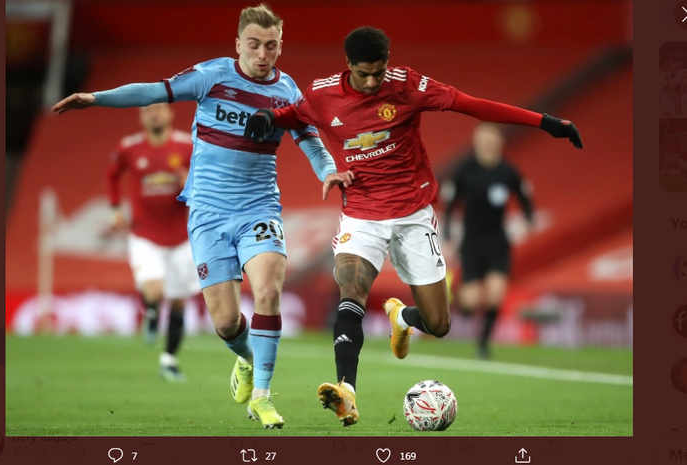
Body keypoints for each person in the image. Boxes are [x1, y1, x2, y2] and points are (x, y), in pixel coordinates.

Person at [244, 26, 582, 427]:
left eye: (379, 72)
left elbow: (471, 105)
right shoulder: (321, 94)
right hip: (362, 214)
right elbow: (291, 115)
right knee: (350, 287)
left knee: (439, 324)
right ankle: (347, 391)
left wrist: (544, 122)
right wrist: (268, 116)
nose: (373, 82)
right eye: (364, 73)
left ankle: (402, 319)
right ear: (348, 65)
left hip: (413, 214)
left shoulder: (408, 86)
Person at [52, 4, 353, 429]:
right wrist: (96, 98)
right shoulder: (212, 76)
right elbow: (153, 91)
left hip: (259, 208)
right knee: (227, 323)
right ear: (238, 45)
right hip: (209, 214)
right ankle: (246, 359)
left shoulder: (287, 93)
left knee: (268, 292)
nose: (262, 53)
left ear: (280, 46)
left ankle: (263, 397)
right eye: (253, 45)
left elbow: (311, 141)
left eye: (270, 45)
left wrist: (328, 172)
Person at [107, 102, 199, 381]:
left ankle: (169, 360)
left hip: (182, 238)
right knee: (156, 290)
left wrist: (190, 181)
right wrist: (114, 207)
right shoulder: (129, 148)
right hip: (145, 234)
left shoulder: (187, 146)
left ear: (170, 114)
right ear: (141, 117)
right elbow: (112, 174)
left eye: (159, 109)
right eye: (148, 110)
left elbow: (205, 178)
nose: (154, 114)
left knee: (179, 301)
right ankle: (150, 310)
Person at [442, 123, 534, 360]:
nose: (488, 144)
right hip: (471, 242)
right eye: (484, 140)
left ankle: (483, 345)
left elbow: (524, 197)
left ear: (499, 143)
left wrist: (528, 219)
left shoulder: (508, 172)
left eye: (492, 140)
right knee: (471, 303)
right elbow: (451, 204)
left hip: (497, 242)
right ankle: (456, 297)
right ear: (476, 143)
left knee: (495, 295)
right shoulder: (465, 170)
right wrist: (448, 236)